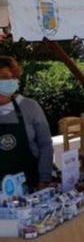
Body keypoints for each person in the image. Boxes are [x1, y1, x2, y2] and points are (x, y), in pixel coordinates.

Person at [0, 56, 53, 191]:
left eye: (11, 77)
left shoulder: (30, 107)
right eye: (3, 77)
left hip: (31, 186)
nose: (8, 81)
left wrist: (44, 179)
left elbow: (45, 145)